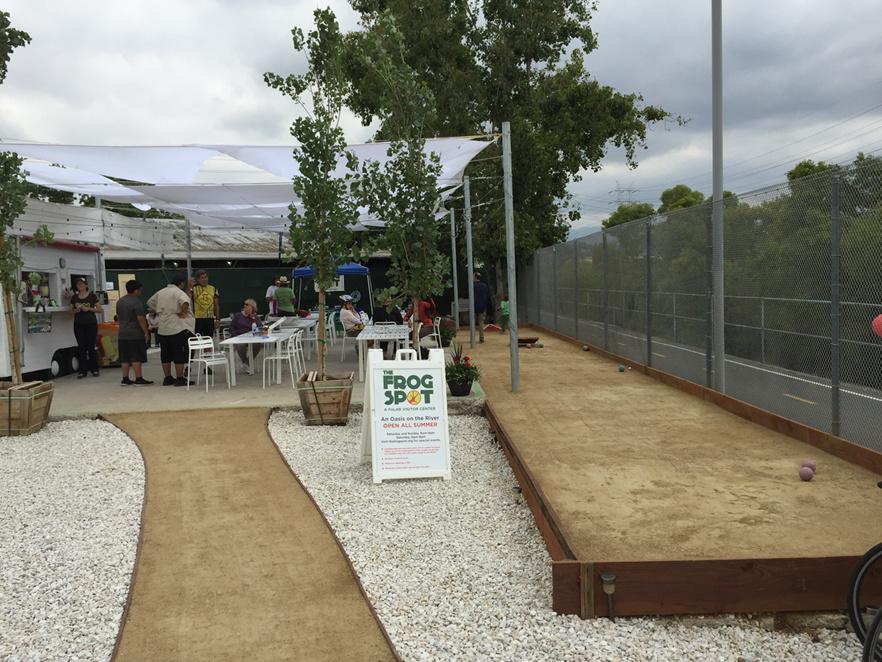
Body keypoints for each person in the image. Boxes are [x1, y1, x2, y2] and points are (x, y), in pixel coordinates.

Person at [147, 273, 195, 387]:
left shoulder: (161, 292)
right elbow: (185, 302)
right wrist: (183, 312)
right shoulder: (179, 292)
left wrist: (159, 310)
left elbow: (150, 303)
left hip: (163, 327)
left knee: (165, 354)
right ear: (182, 283)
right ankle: (180, 378)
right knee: (179, 354)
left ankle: (167, 378)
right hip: (176, 327)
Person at [116, 280, 153, 386]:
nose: (141, 292)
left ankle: (125, 379)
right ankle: (138, 378)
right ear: (136, 290)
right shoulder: (136, 302)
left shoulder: (120, 301)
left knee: (125, 357)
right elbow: (140, 318)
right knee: (136, 356)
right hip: (135, 333)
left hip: (122, 332)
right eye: (140, 290)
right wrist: (146, 332)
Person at [70, 277, 101, 378]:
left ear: (86, 285)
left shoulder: (92, 296)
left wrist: (89, 309)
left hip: (91, 323)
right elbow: (70, 311)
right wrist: (76, 310)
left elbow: (100, 310)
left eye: (81, 284)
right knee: (81, 347)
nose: (80, 285)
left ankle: (94, 369)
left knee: (91, 347)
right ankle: (82, 370)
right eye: (78, 284)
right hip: (78, 324)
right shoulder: (74, 298)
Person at [229, 298, 263, 369]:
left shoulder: (255, 317)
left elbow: (260, 328)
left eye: (247, 305)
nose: (245, 306)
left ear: (252, 307)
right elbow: (231, 327)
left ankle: (247, 363)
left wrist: (252, 318)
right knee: (240, 345)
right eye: (244, 304)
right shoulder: (238, 315)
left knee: (257, 344)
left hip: (251, 338)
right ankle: (245, 362)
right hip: (239, 337)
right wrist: (235, 335)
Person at [191, 269, 220, 339]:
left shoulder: (213, 288)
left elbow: (216, 304)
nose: (204, 279)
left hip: (210, 318)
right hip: (198, 319)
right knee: (198, 339)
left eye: (206, 277)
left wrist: (217, 319)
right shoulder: (193, 289)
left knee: (209, 339)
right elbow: (188, 298)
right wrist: (190, 286)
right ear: (198, 279)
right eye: (202, 278)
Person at [473, 272, 491, 343]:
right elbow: (486, 296)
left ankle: (473, 338)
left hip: (474, 306)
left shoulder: (473, 286)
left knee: (473, 322)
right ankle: (481, 337)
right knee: (481, 323)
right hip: (482, 306)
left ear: (475, 277)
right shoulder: (484, 286)